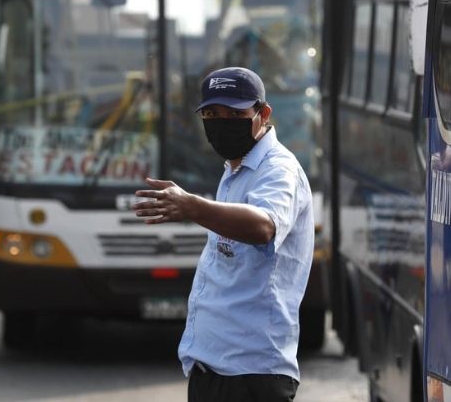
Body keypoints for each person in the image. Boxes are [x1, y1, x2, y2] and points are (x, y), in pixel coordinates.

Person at [131, 67, 314, 402]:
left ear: (263, 113)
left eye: (234, 113)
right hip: (214, 371)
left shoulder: (277, 170)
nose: (221, 123)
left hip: (252, 377)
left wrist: (192, 207)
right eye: (212, 114)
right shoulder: (234, 170)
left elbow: (264, 227)